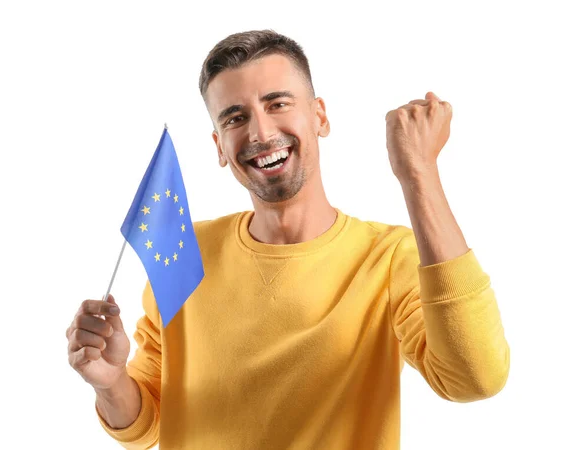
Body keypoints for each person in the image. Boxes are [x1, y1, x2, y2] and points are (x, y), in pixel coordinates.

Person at [66, 29, 510, 449]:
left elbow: (475, 378)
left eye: (277, 103)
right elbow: (148, 422)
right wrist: (110, 383)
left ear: (319, 115)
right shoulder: (185, 253)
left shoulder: (389, 258)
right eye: (236, 117)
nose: (260, 132)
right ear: (219, 147)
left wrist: (418, 174)